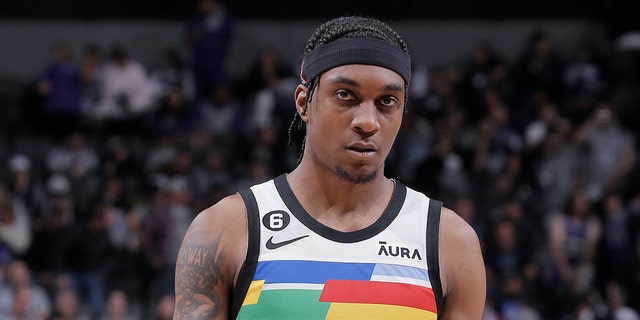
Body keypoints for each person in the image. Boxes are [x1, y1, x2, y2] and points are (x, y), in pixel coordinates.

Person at [173, 16, 486, 319]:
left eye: (387, 101)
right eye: (345, 95)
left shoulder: (450, 241)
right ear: (303, 103)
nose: (367, 122)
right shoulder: (224, 229)